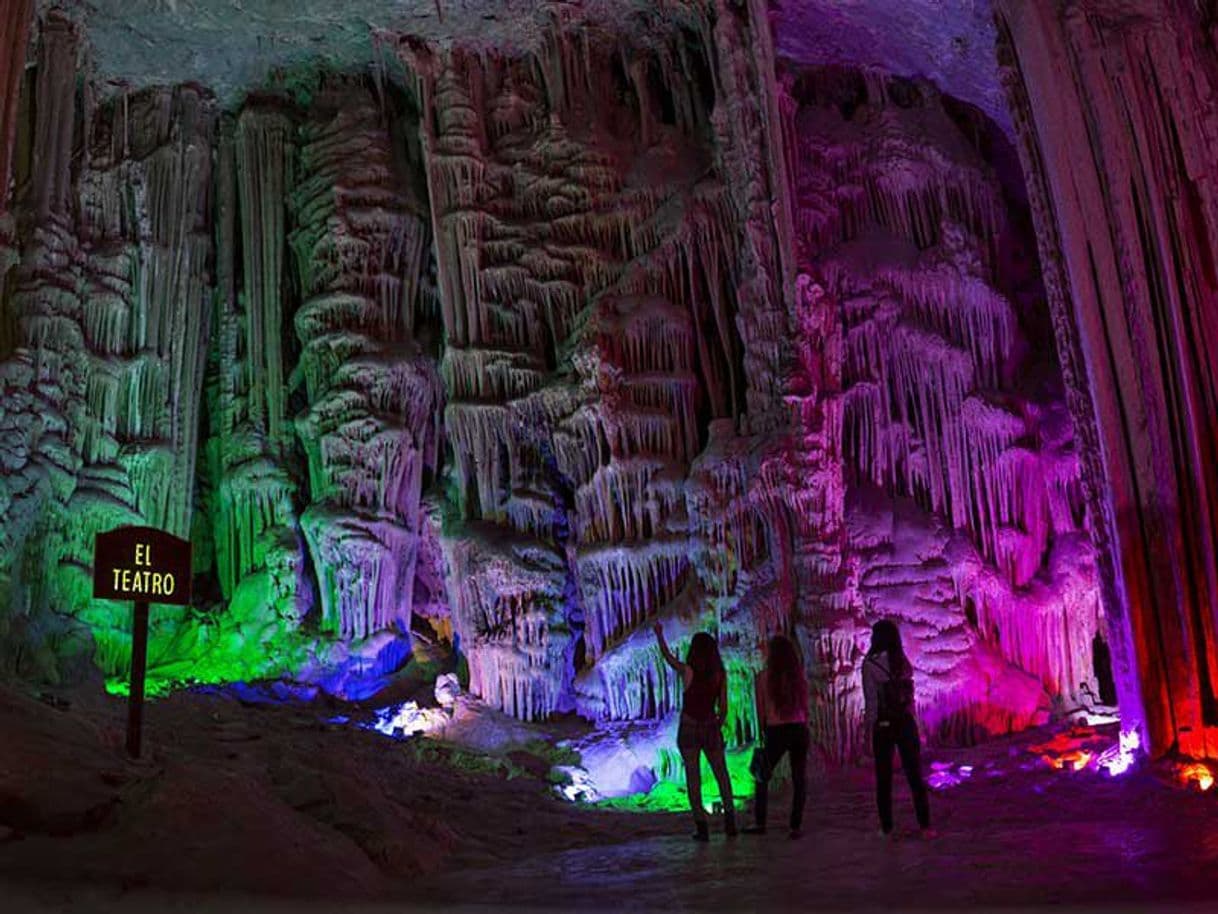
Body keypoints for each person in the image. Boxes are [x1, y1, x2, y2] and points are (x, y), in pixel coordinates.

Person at [654, 622, 737, 841]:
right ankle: (730, 822)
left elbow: (668, 657)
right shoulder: (720, 674)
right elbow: (724, 709)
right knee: (722, 774)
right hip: (710, 726)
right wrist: (715, 727)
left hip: (689, 727)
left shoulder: (688, 671)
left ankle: (702, 828)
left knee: (693, 778)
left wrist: (660, 634)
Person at [862, 619, 932, 838]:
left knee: (883, 779)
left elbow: (871, 702)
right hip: (905, 722)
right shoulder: (902, 660)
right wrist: (914, 724)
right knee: (914, 776)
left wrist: (869, 730)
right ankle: (926, 826)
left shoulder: (870, 665)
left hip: (883, 725)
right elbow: (910, 697)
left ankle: (887, 828)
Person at [743, 634, 810, 839]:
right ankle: (795, 826)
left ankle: (760, 822)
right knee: (799, 778)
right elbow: (805, 707)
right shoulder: (798, 676)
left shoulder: (763, 677)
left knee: (762, 775)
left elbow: (760, 711)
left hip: (776, 730)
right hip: (799, 729)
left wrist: (764, 731)